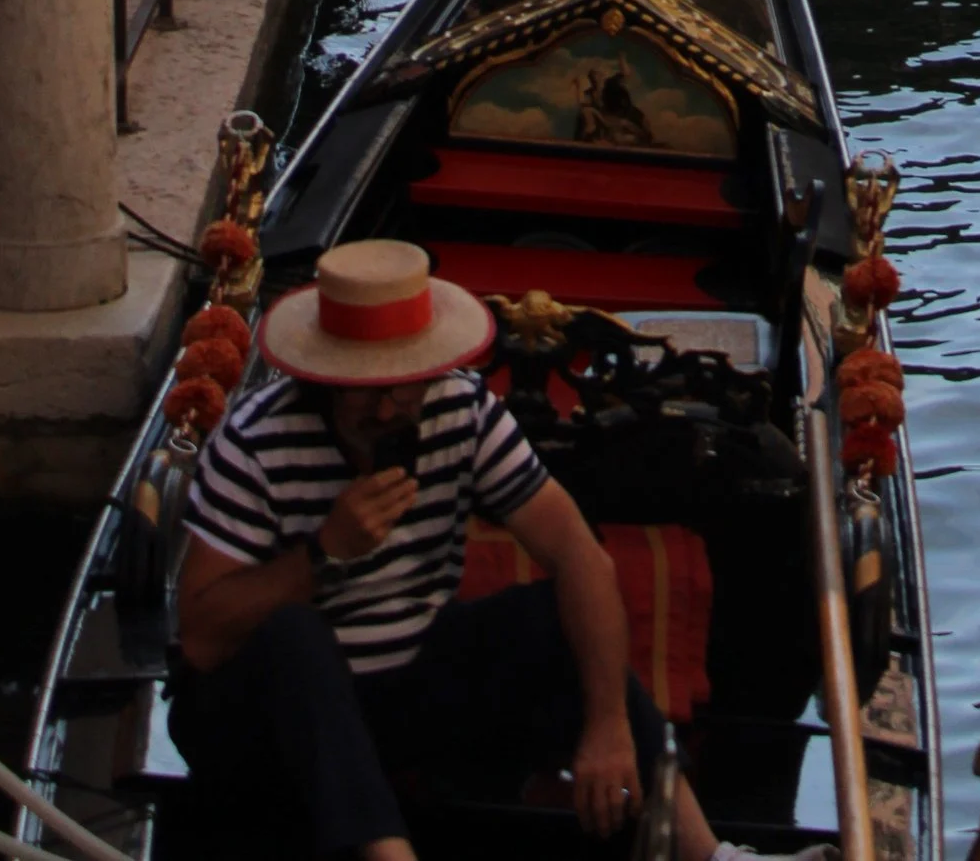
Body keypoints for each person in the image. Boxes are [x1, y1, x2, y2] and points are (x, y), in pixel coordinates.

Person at [173, 239, 744, 861]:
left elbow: (579, 556)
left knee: (551, 613)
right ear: (328, 378)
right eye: (365, 388)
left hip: (405, 689)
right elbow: (202, 637)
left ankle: (707, 853)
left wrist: (606, 727)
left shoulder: (461, 410)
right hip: (266, 716)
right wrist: (323, 552)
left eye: (404, 384)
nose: (388, 407)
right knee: (295, 634)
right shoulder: (255, 441)